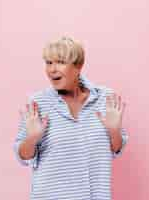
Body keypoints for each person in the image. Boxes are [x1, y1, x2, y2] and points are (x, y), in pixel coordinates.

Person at [13, 36, 129, 200]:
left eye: (60, 62)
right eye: (48, 62)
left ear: (78, 66)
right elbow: (22, 156)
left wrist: (114, 130)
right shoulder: (38, 102)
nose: (52, 69)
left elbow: (116, 148)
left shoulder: (105, 98)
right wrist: (32, 138)